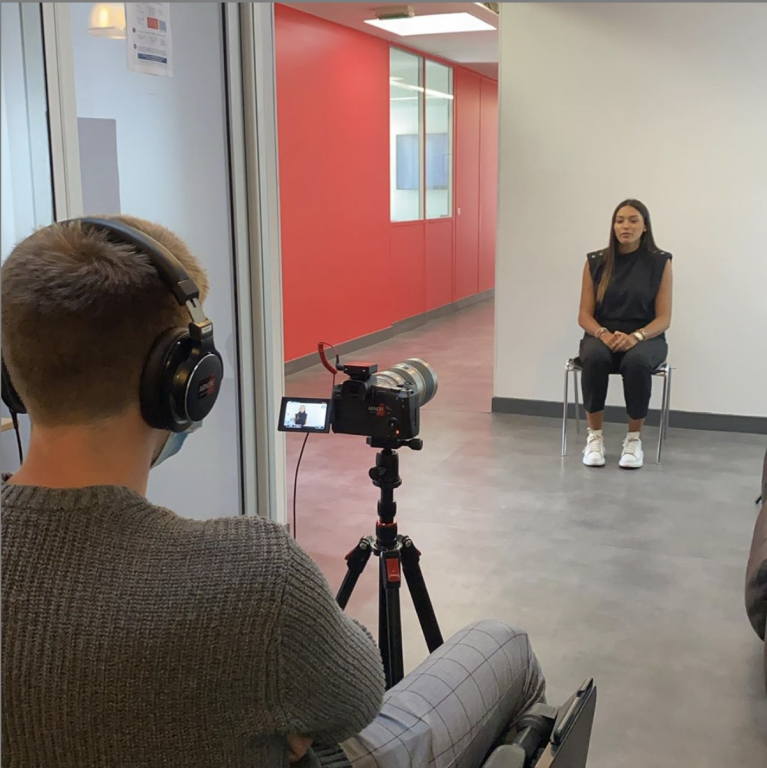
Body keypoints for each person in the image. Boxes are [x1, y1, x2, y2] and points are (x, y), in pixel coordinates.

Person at [1, 217, 545, 768]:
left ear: (11, 373)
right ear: (184, 383)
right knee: (507, 646)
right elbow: (357, 700)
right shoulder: (253, 573)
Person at [577, 199, 673, 469]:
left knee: (637, 361)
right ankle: (595, 437)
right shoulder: (596, 262)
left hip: (646, 337)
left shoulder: (660, 262)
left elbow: (664, 318)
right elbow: (584, 315)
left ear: (645, 226)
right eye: (619, 221)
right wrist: (603, 334)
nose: (625, 226)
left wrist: (637, 337)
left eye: (633, 220)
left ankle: (633, 440)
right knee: (594, 357)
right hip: (602, 334)